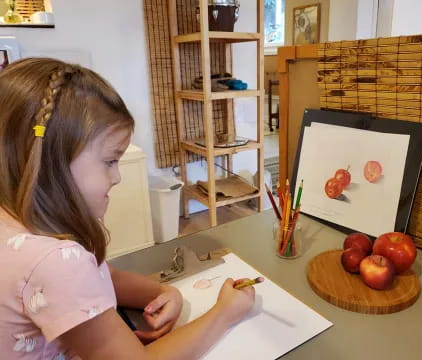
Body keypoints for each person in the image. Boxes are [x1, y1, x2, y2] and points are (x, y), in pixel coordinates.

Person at [0, 58, 255, 359]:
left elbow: (103, 276)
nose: (117, 176)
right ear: (47, 163)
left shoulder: (22, 220)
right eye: (109, 161)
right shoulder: (54, 262)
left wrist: (162, 291)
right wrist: (224, 313)